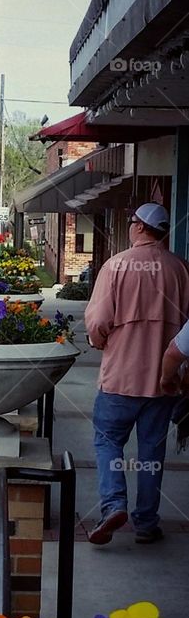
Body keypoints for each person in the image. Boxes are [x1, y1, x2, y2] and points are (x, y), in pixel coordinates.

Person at [84, 203, 189, 545]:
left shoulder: (116, 266)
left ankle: (114, 504)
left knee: (108, 441)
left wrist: (98, 341)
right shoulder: (181, 270)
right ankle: (146, 522)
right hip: (163, 383)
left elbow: (98, 323)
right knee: (150, 453)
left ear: (141, 227)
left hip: (120, 378)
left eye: (131, 222)